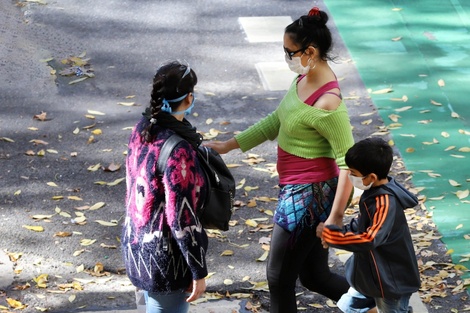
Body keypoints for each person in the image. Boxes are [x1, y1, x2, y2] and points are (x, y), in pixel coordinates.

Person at [205, 7, 367, 312]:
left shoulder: (328, 103)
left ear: (310, 51)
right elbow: (275, 120)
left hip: (309, 197)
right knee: (314, 276)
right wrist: (228, 145)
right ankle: (373, 304)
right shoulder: (304, 79)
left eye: (289, 51)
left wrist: (334, 218)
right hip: (296, 189)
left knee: (278, 277)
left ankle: (374, 304)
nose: (287, 56)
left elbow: (347, 166)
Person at [121, 60, 208, 313]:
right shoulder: (178, 149)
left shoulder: (142, 128)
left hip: (136, 244)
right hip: (165, 260)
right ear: (189, 97)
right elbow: (180, 216)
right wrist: (197, 270)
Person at [322, 137, 420, 313]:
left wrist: (332, 236)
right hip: (371, 275)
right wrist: (337, 231)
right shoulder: (374, 193)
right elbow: (362, 224)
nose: (350, 176)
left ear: (371, 177)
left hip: (390, 279)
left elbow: (369, 238)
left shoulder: (385, 202)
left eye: (353, 172)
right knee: (348, 306)